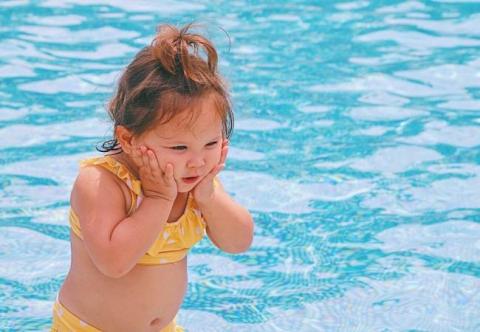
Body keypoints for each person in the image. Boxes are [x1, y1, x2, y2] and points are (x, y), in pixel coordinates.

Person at [51, 22, 254, 332]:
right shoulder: (102, 183)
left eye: (211, 143)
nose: (197, 161)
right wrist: (159, 199)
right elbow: (114, 263)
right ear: (129, 140)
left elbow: (239, 242)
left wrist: (209, 200)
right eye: (179, 147)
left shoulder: (197, 182)